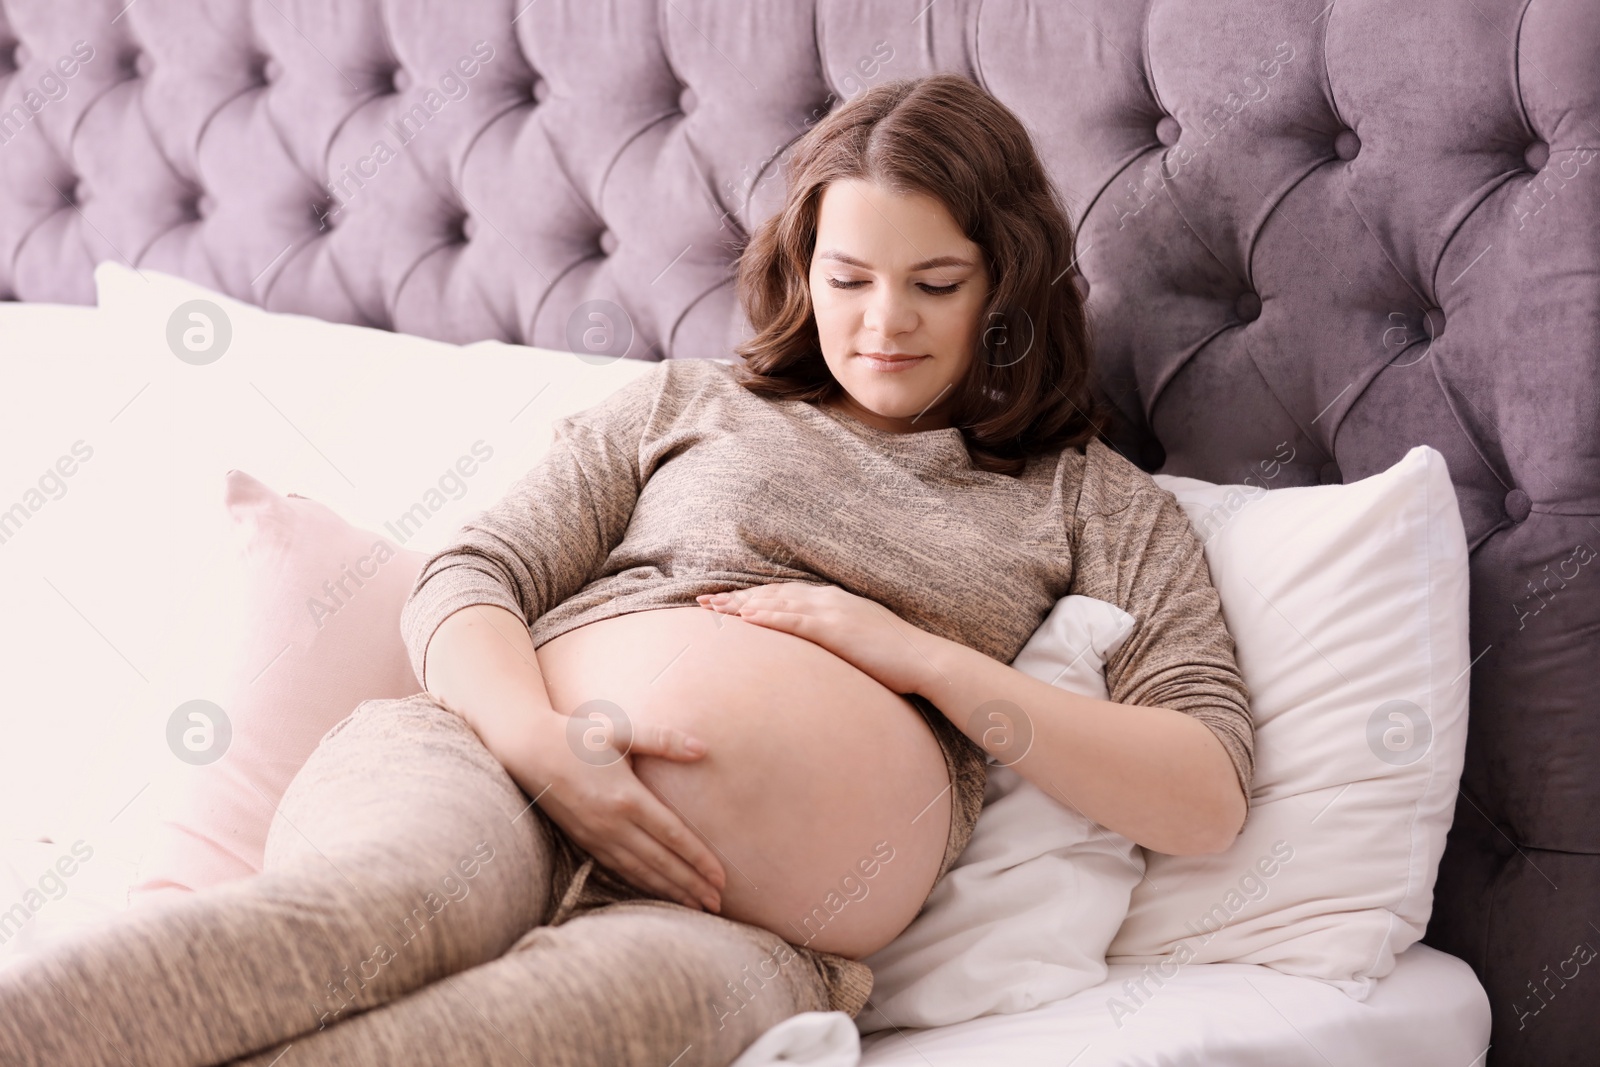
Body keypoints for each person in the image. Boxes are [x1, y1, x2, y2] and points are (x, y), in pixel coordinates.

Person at [0, 73, 1252, 1066]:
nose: (882, 324)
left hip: (734, 928)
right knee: (364, 916)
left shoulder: (1088, 497)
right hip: (490, 765)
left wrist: (912, 655)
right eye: (848, 279)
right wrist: (546, 747)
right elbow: (469, 572)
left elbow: (1202, 793)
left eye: (935, 284)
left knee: (491, 1045)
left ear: (1007, 285)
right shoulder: (689, 401)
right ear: (802, 269)